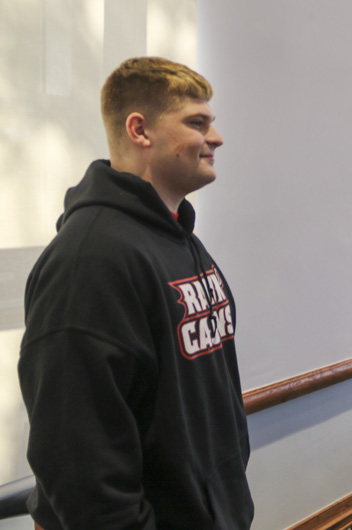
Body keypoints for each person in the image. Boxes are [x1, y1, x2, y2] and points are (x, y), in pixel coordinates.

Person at [18, 57, 254, 529]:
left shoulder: (178, 238)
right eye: (197, 123)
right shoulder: (89, 262)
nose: (216, 137)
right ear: (139, 130)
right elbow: (78, 461)